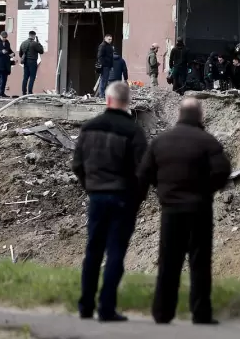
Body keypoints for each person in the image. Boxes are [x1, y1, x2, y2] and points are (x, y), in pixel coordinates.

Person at [137, 97, 231, 326]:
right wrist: (206, 190)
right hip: (199, 209)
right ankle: (201, 313)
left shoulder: (161, 142)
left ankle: (162, 313)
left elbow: (145, 173)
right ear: (200, 116)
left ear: (179, 114)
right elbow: (223, 171)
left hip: (171, 210)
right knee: (200, 262)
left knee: (168, 262)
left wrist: (161, 189)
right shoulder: (207, 142)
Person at [72, 81, 147, 323]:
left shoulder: (90, 127)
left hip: (97, 197)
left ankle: (85, 305)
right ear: (128, 102)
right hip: (123, 198)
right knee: (115, 252)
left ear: (107, 100)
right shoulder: (133, 131)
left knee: (93, 250)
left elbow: (77, 164)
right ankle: (106, 308)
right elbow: (143, 171)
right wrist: (137, 198)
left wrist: (90, 187)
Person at [19, 31, 44, 96]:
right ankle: (30, 92)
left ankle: (24, 92)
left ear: (29, 35)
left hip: (25, 62)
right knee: (32, 77)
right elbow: (41, 51)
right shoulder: (35, 43)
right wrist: (38, 42)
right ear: (34, 36)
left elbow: (20, 54)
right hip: (32, 62)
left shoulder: (23, 43)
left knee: (25, 77)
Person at [0, 31, 14, 98]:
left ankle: (2, 92)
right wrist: (1, 52)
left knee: (4, 79)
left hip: (6, 63)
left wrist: (12, 53)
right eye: (3, 37)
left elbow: (9, 50)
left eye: (5, 37)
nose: (4, 39)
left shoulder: (7, 42)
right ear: (0, 36)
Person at [96, 35, 115, 99]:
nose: (110, 41)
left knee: (105, 80)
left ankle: (102, 94)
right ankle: (101, 95)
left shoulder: (108, 46)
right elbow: (100, 56)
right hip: (105, 66)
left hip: (108, 66)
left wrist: (111, 65)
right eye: (109, 39)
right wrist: (103, 64)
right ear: (105, 39)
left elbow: (110, 57)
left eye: (111, 39)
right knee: (103, 80)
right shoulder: (103, 46)